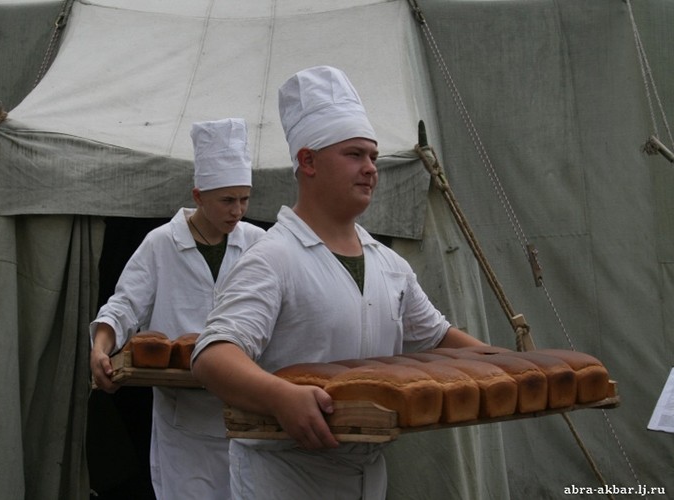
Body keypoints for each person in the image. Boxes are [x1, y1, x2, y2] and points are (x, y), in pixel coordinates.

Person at [191, 66, 487, 499]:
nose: (370, 168)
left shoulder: (388, 265)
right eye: (354, 155)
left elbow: (438, 338)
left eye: (373, 156)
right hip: (285, 479)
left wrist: (520, 369)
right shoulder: (274, 258)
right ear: (308, 161)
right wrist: (279, 397)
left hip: (368, 474)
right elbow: (213, 355)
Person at [89, 117, 266, 500]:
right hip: (184, 422)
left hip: (248, 414)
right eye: (227, 200)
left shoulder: (258, 243)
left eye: (244, 199)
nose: (238, 211)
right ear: (199, 195)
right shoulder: (161, 244)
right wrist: (101, 348)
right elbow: (125, 305)